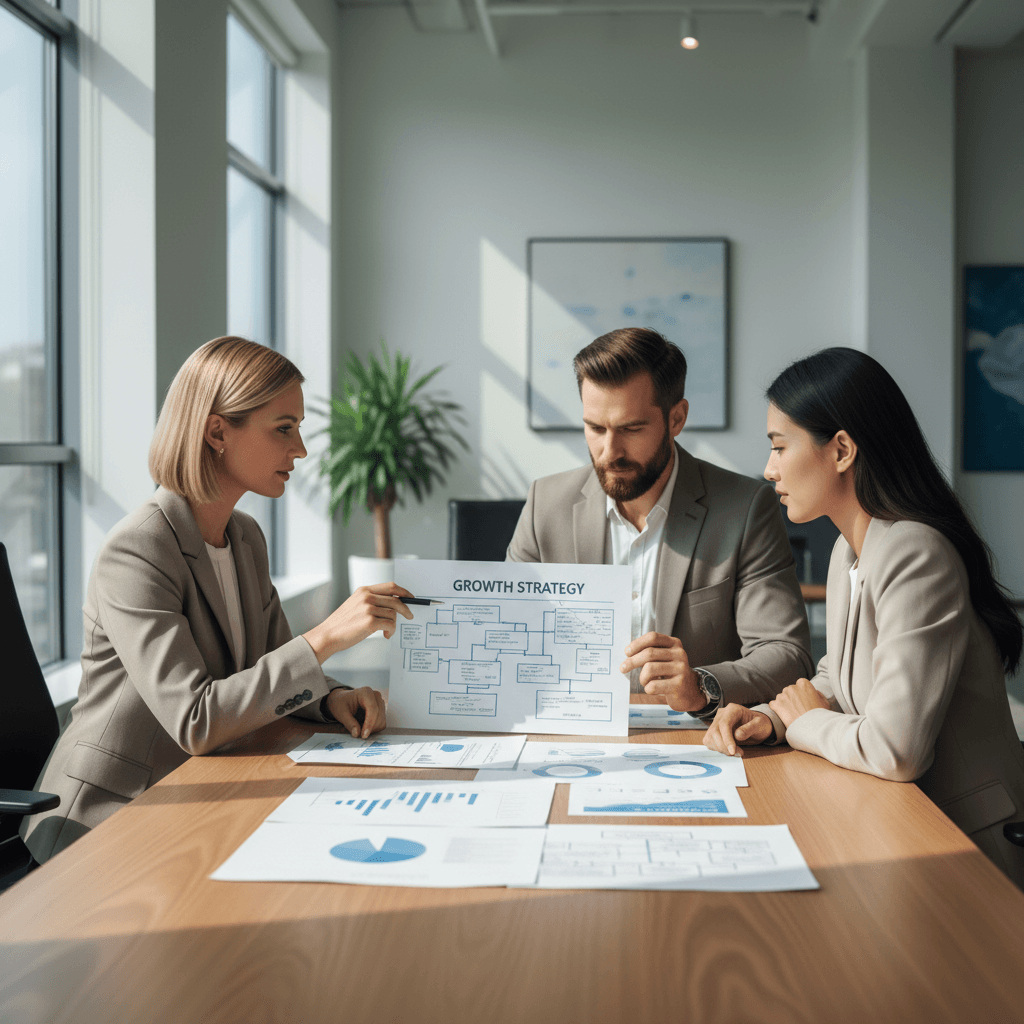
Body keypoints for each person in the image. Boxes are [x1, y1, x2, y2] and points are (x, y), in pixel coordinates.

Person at [26, 337, 415, 862]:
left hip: (198, 794)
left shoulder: (245, 538)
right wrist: (326, 635)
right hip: (108, 821)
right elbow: (196, 720)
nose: (299, 449)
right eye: (284, 429)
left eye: (298, 430)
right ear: (216, 433)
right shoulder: (137, 549)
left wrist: (329, 699)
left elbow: (272, 665)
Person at [703, 347, 1024, 886]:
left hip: (967, 843)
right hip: (903, 825)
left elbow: (896, 750)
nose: (768, 469)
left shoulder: (914, 551)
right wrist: (773, 718)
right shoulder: (848, 550)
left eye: (780, 447)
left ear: (842, 450)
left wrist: (805, 723)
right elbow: (841, 673)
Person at [507, 327, 813, 717]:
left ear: (677, 418)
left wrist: (701, 686)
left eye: (631, 429)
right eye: (595, 428)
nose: (609, 451)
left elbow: (787, 654)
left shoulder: (745, 509)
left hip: (695, 741)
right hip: (571, 728)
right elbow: (508, 635)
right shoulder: (544, 506)